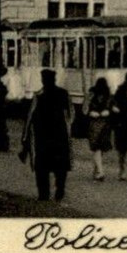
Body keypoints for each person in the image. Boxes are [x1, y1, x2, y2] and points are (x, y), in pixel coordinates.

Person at [20, 69, 74, 201]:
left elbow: (29, 117)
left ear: (43, 80)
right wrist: (68, 129)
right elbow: (71, 114)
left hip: (42, 136)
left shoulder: (38, 96)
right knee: (60, 166)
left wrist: (25, 138)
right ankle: (59, 190)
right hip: (60, 135)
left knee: (42, 167)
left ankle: (43, 194)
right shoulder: (63, 94)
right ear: (54, 80)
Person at [84, 78, 114, 181]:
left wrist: (90, 111)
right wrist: (108, 112)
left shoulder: (92, 95)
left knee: (97, 148)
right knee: (98, 148)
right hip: (105, 124)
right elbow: (112, 109)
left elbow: (84, 110)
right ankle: (99, 171)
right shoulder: (108, 96)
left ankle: (98, 171)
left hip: (94, 124)